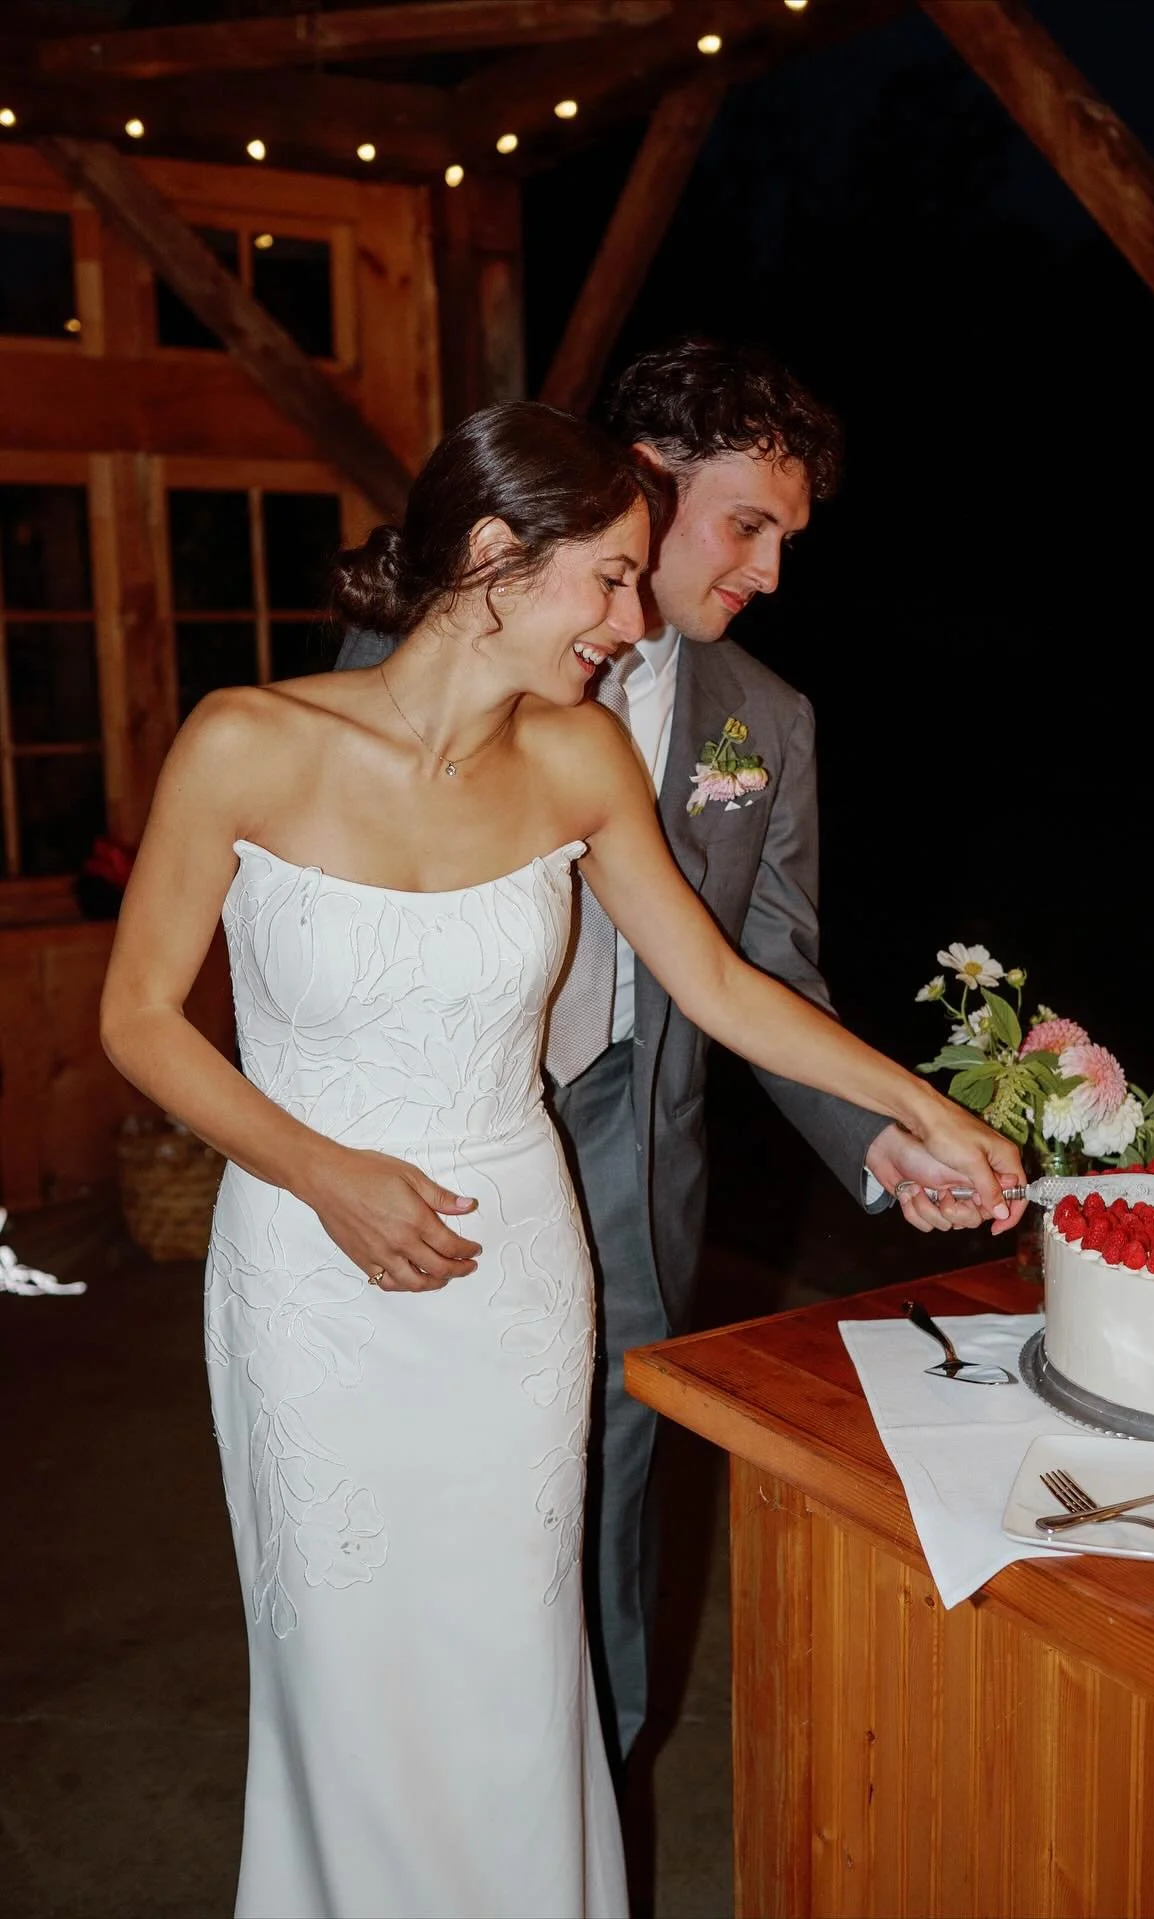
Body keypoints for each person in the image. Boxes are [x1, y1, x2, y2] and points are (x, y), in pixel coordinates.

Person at [99, 401, 1022, 1919]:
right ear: (487, 557)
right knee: (342, 1651)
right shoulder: (247, 739)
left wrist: (921, 1108)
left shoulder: (583, 758)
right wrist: (324, 1170)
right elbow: (138, 1018)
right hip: (308, 1281)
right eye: (604, 577)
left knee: (514, 1652)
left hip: (517, 1279)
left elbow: (724, 985)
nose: (626, 615)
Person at [336, 340, 999, 1772]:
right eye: (746, 524)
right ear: (639, 484)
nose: (766, 571)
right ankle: (425, 1761)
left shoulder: (767, 717)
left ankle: (598, 1775)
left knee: (612, 1480)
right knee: (425, 1470)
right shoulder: (414, 663)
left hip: (633, 1141)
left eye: (786, 538)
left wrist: (883, 1134)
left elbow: (760, 968)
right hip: (426, 1141)